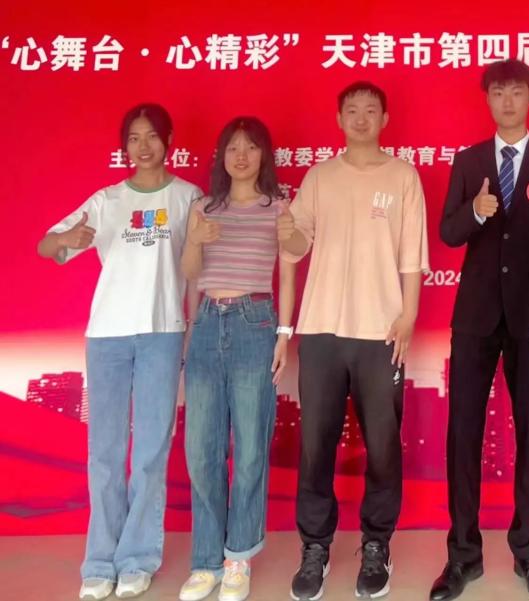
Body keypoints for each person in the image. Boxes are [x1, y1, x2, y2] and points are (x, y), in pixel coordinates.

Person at [37, 103, 203, 600]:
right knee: (105, 452)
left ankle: (137, 558)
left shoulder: (188, 197)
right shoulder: (106, 200)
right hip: (107, 335)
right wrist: (65, 237)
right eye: (133, 138)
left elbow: (198, 267)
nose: (142, 146)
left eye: (151, 136)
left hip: (162, 333)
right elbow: (47, 246)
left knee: (150, 452)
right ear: (124, 146)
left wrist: (192, 326)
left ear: (168, 140)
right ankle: (99, 561)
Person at [431, 59, 529, 601]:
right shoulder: (469, 161)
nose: (508, 101)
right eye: (498, 93)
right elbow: (449, 232)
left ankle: (528, 552)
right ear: (488, 100)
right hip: (475, 318)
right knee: (463, 435)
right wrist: (475, 210)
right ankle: (462, 556)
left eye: (516, 92)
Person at [280, 81, 429, 601]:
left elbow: (412, 253)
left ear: (385, 119)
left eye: (370, 110)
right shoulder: (319, 177)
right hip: (322, 328)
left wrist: (408, 315)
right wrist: (284, 227)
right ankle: (314, 548)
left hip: (382, 331)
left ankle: (376, 544)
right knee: (315, 444)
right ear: (339, 119)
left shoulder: (403, 176)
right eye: (351, 110)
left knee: (383, 446)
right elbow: (296, 242)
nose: (361, 118)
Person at [177, 117, 296, 601]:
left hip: (255, 323)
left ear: (264, 155)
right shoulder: (203, 208)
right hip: (207, 322)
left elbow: (289, 270)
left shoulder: (278, 207)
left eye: (250, 147)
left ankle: (238, 557)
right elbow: (190, 274)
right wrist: (196, 241)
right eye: (232, 148)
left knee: (249, 449)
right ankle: (206, 560)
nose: (241, 156)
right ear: (221, 156)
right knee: (201, 450)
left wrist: (284, 335)